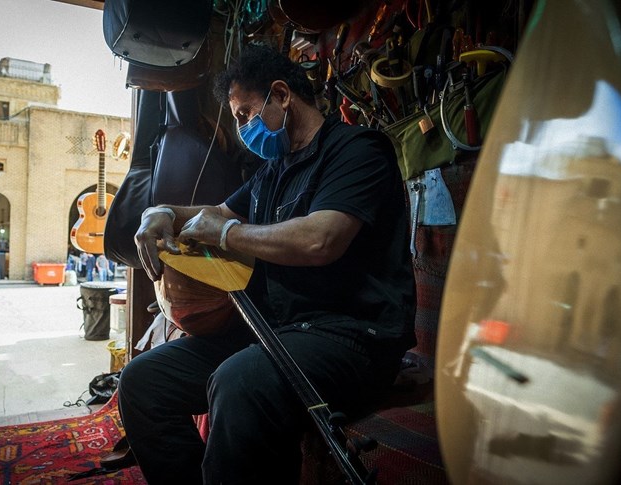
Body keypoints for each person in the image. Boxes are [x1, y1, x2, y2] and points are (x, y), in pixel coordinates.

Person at [120, 43, 417, 484]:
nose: (243, 130)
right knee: (144, 381)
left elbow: (321, 239)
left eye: (245, 115)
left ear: (281, 95)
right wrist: (160, 212)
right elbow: (217, 212)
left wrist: (228, 234)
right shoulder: (272, 172)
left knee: (240, 381)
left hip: (352, 338)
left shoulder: (358, 151)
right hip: (277, 330)